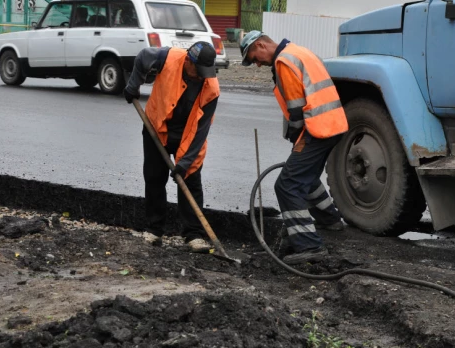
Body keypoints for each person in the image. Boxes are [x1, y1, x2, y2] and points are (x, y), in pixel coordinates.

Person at [240, 31, 349, 265]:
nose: (257, 64)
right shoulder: (300, 51)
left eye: (254, 58)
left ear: (260, 44)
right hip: (332, 124)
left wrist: (295, 133)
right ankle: (330, 220)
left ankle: (309, 244)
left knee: (287, 184)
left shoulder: (284, 61)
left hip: (316, 128)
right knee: (305, 176)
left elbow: (297, 107)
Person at [124, 41, 219, 253]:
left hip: (188, 135)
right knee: (154, 177)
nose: (201, 76)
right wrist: (133, 85)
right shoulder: (166, 57)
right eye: (198, 71)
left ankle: (193, 235)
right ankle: (155, 230)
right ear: (188, 61)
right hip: (156, 125)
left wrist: (184, 163)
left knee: (191, 179)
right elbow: (141, 58)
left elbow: (202, 130)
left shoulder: (211, 87)